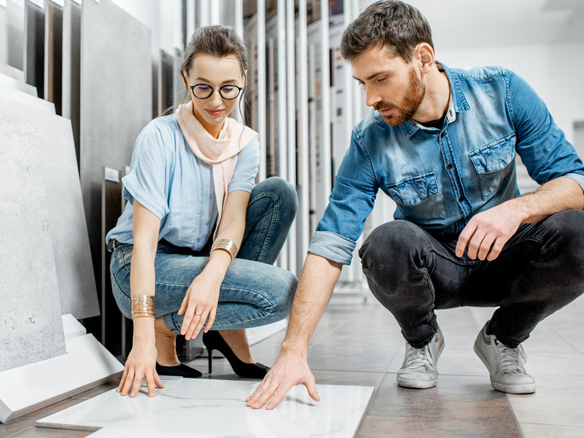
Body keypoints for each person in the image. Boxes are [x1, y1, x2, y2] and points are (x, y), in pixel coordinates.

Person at [246, 0, 584, 409]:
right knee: (385, 242)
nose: (370, 97)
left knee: (578, 232)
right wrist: (292, 351)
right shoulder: (369, 141)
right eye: (362, 83)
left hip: (505, 260)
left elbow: (576, 181)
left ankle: (504, 338)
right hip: (433, 270)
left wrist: (516, 210)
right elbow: (330, 244)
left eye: (380, 78)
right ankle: (422, 340)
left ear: (423, 57)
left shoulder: (503, 92)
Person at [106, 25, 298, 398]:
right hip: (141, 267)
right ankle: (164, 329)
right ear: (185, 79)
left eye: (229, 88)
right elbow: (144, 243)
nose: (216, 101)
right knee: (280, 292)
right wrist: (142, 335)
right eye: (203, 87)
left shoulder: (244, 143)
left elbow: (233, 218)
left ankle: (221, 327)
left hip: (196, 259)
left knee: (278, 195)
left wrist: (213, 276)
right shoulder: (158, 138)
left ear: (243, 79)